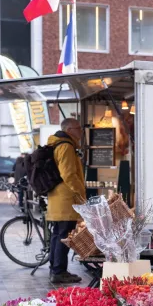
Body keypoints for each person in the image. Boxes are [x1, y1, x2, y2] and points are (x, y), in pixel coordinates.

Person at [46, 118, 86, 285]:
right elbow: (68, 174)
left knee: (57, 235)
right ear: (69, 130)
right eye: (78, 128)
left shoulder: (58, 144)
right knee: (63, 236)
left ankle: (55, 268)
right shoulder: (66, 146)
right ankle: (59, 271)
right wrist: (81, 192)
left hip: (58, 198)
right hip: (66, 198)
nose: (81, 132)